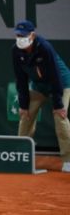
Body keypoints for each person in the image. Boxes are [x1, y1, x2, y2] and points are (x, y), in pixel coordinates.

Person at [12, 20, 70, 172]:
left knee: (60, 117)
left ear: (32, 35)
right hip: (39, 86)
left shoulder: (45, 48)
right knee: (26, 116)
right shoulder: (16, 50)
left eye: (23, 35)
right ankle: (21, 157)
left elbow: (55, 76)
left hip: (61, 84)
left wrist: (58, 104)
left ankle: (68, 160)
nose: (20, 38)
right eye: (17, 35)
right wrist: (23, 105)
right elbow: (21, 79)